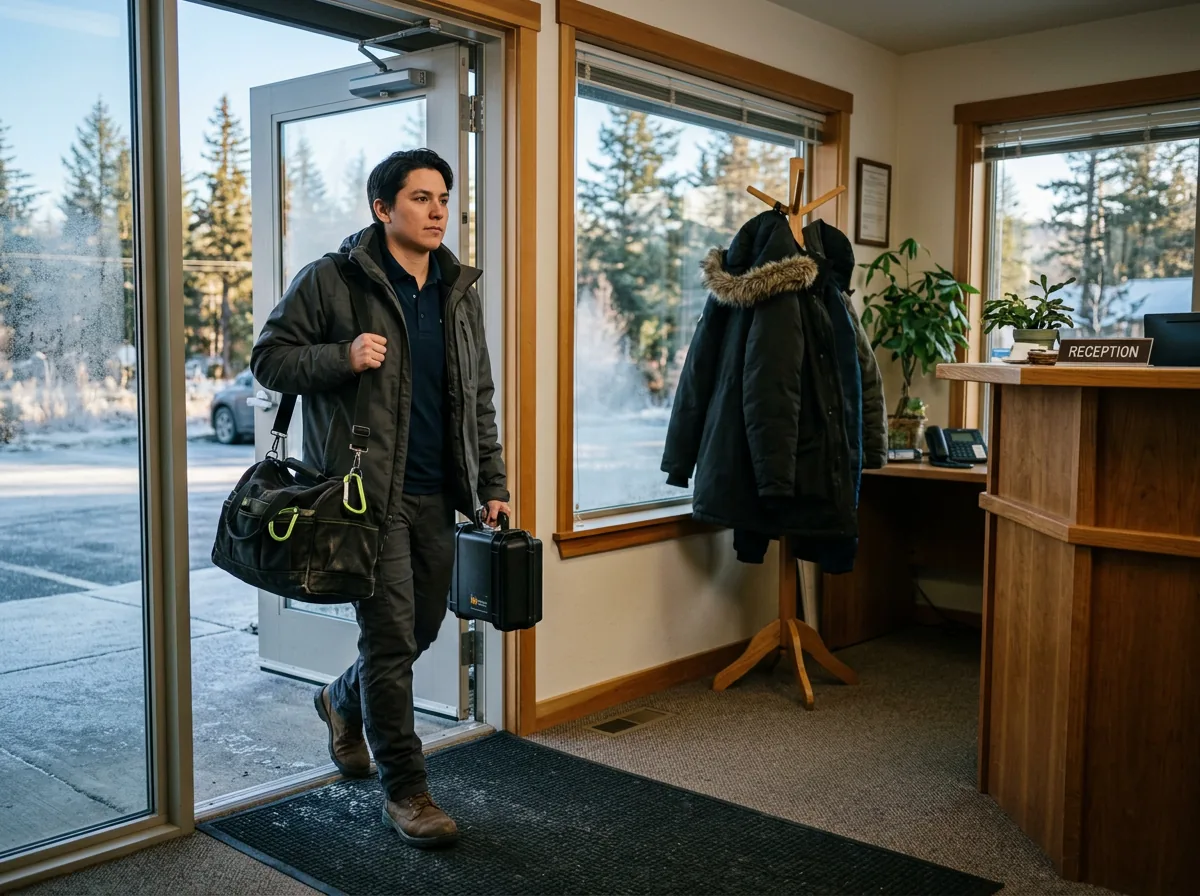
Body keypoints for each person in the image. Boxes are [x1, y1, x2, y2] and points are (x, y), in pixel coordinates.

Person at [250, 148, 509, 849]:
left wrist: (492, 485)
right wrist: (341, 356)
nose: (436, 211)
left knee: (422, 630)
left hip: (437, 494)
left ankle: (339, 699)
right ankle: (408, 792)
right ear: (382, 207)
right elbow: (269, 357)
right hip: (365, 498)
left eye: (444, 198)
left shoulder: (458, 290)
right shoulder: (333, 281)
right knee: (391, 641)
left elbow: (477, 398)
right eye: (421, 197)